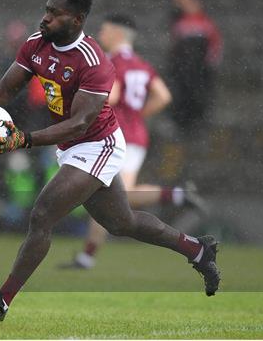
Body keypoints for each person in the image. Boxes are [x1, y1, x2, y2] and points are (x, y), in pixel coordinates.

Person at [0, 0, 220, 322]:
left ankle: (0, 302)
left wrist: (22, 140)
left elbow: (79, 124)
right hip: (72, 146)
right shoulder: (35, 45)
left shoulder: (95, 62)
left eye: (55, 13)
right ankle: (198, 249)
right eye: (46, 9)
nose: (46, 17)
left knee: (42, 215)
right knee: (122, 222)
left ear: (78, 19)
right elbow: (7, 87)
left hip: (99, 144)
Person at [60, 14, 210, 270]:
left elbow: (113, 94)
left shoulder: (111, 62)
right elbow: (163, 96)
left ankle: (175, 195)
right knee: (109, 194)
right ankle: (87, 256)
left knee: (115, 195)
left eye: (106, 30)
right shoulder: (141, 64)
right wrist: (138, 115)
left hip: (114, 136)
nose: (101, 34)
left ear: (118, 34)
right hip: (137, 135)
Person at [169, 0, 222, 132]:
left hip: (199, 69)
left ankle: (198, 124)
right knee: (183, 96)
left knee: (199, 97)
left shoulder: (206, 23)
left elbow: (215, 46)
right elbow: (175, 47)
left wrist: (209, 65)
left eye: (191, 3)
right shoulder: (179, 22)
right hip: (183, 69)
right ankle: (183, 124)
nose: (188, 6)